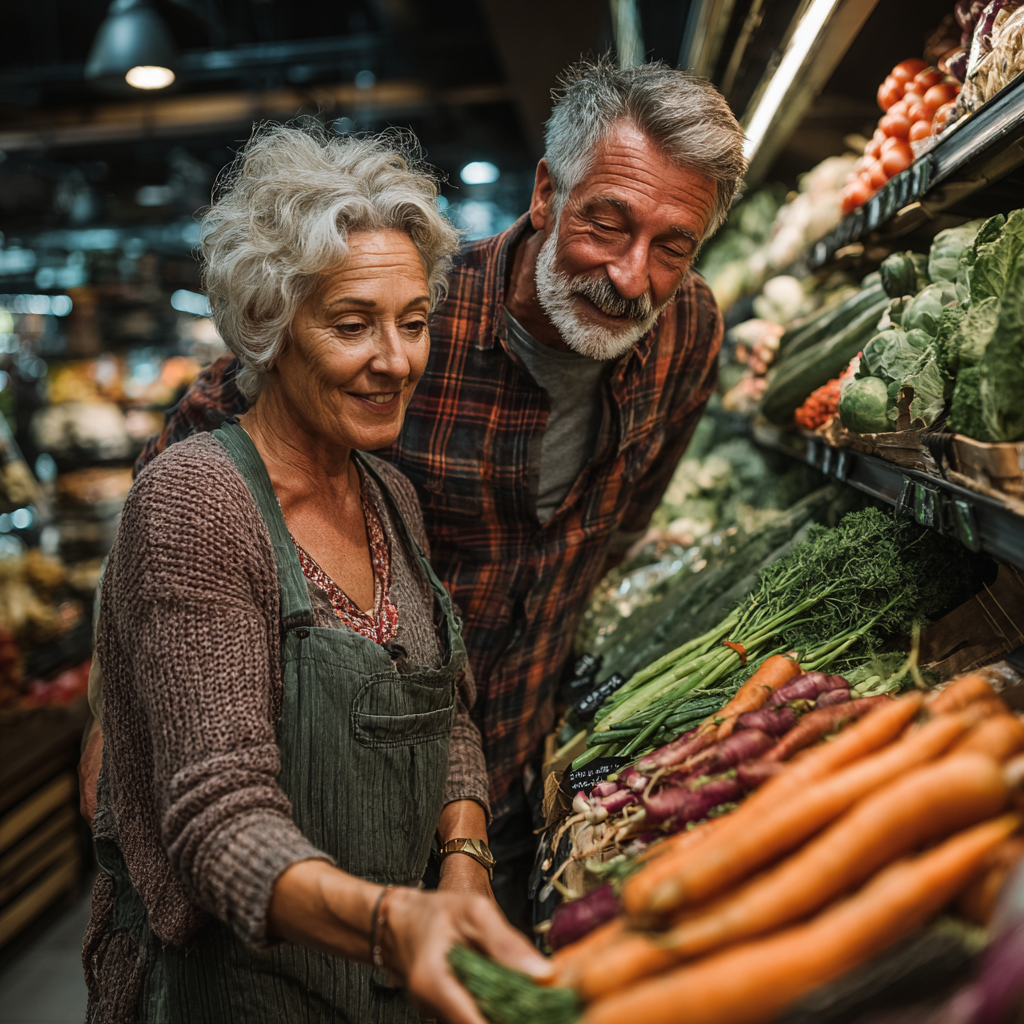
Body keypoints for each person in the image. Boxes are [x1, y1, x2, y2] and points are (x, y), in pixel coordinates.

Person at [88, 56, 748, 928]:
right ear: (546, 194)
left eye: (673, 247)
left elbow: (622, 528)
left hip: (494, 785)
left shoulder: (687, 333)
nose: (631, 277)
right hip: (316, 803)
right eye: (607, 223)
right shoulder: (411, 305)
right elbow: (186, 478)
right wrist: (119, 702)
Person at [82, 125, 549, 1024]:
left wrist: (464, 863)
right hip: (232, 995)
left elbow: (444, 712)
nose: (396, 360)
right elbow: (218, 819)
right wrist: (392, 923)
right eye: (352, 325)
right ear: (269, 326)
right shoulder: (197, 505)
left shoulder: (389, 496)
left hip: (379, 982)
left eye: (413, 323)